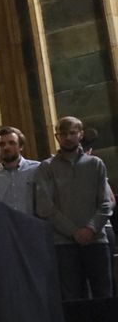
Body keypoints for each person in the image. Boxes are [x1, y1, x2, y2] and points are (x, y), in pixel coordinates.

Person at [36, 116, 113, 300]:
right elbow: (45, 206)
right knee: (73, 299)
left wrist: (91, 228)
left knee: (104, 295)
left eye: (72, 133)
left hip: (96, 240)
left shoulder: (95, 164)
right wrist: (73, 232)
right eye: (63, 134)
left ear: (81, 135)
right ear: (57, 137)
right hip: (64, 244)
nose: (68, 137)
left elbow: (105, 202)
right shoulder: (46, 167)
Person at [0, 126, 39, 216]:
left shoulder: (36, 169)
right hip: (6, 228)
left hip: (33, 226)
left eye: (11, 143)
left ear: (21, 146)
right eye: (2, 144)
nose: (6, 147)